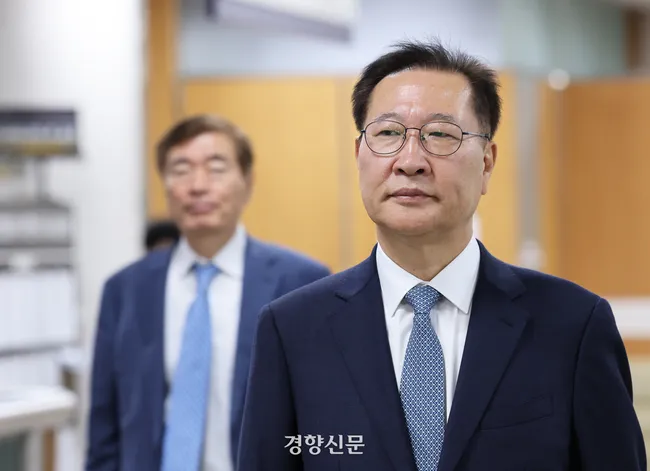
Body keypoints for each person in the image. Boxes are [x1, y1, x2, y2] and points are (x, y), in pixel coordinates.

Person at [237, 40, 646, 471]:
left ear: (487, 162)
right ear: (359, 155)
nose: (410, 161)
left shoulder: (572, 325)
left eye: (440, 135)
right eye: (388, 134)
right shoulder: (293, 330)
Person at [85, 114, 331, 471]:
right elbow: (104, 426)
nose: (197, 185)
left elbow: (323, 415)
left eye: (216, 168)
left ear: (247, 182)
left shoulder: (302, 283)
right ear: (165, 185)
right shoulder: (125, 290)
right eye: (181, 170)